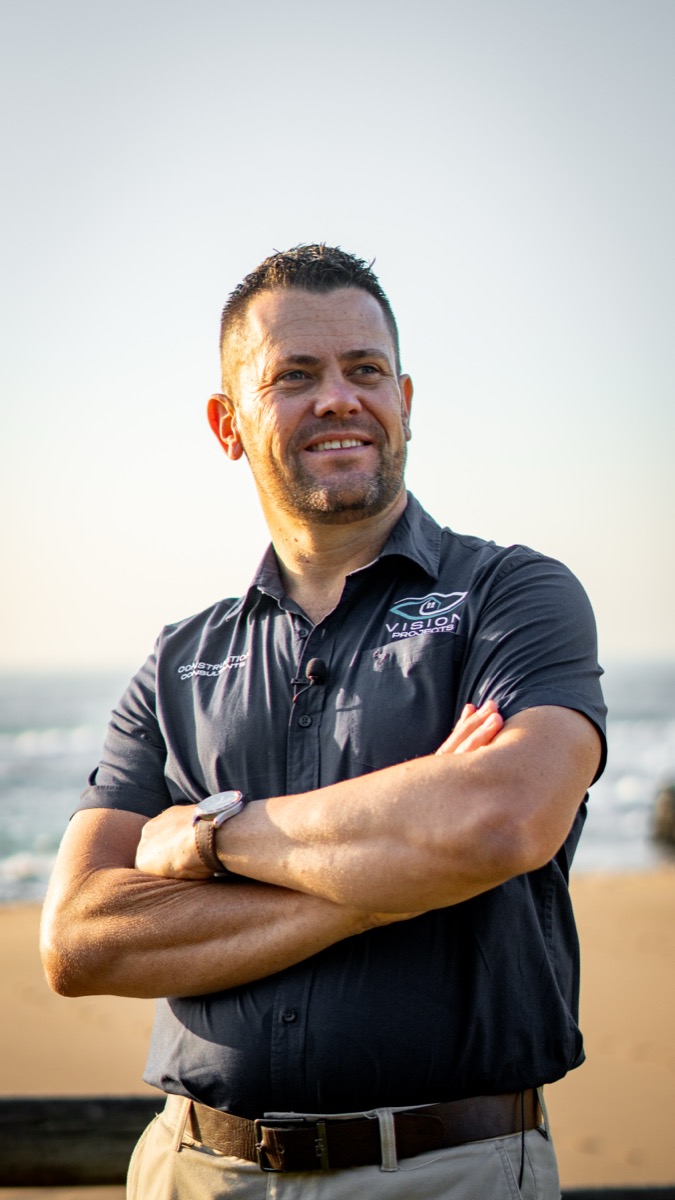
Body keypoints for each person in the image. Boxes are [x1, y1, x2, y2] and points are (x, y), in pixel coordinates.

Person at [41, 244, 606, 1200]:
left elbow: (501, 822)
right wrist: (403, 872)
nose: (338, 398)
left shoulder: (512, 595)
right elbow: (84, 938)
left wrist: (208, 835)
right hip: (195, 1172)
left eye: (366, 371)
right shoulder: (177, 663)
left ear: (405, 400)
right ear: (228, 424)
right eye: (294, 376)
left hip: (447, 1174)